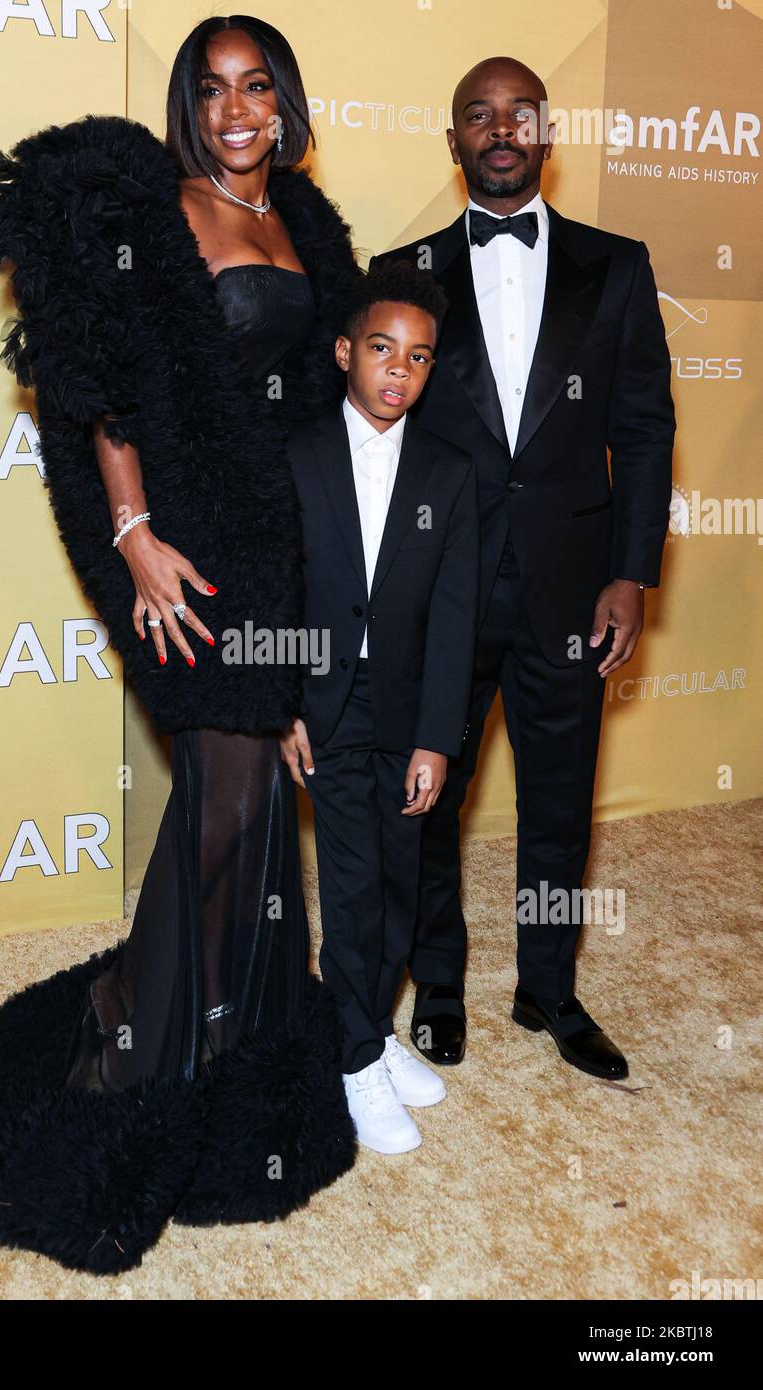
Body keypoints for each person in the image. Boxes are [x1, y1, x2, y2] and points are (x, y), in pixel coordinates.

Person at [0, 15, 362, 1277]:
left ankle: (230, 1024)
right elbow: (96, 371)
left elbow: (319, 404)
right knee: (220, 794)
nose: (232, 109)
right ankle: (140, 1040)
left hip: (268, 544)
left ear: (284, 99)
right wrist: (134, 529)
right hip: (179, 538)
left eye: (254, 85)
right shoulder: (157, 208)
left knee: (257, 788)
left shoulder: (308, 228)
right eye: (208, 89)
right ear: (184, 103)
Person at [370, 56, 675, 1079]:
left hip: (568, 588)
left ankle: (547, 989)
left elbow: (639, 428)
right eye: (476, 116)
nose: (498, 131)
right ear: (450, 140)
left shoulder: (615, 265)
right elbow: (379, 440)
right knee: (426, 797)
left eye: (517, 115)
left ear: (547, 134)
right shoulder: (402, 272)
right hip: (438, 592)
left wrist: (631, 571)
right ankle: (439, 985)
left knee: (558, 799)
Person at [281, 263, 479, 1153]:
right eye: (381, 350)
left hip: (408, 712)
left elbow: (455, 618)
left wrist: (439, 737)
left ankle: (373, 1025)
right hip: (325, 703)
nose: (398, 371)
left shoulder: (449, 472)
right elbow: (273, 591)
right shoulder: (296, 453)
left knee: (402, 887)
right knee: (354, 888)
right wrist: (281, 703)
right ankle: (356, 1057)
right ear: (343, 353)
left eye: (419, 357)